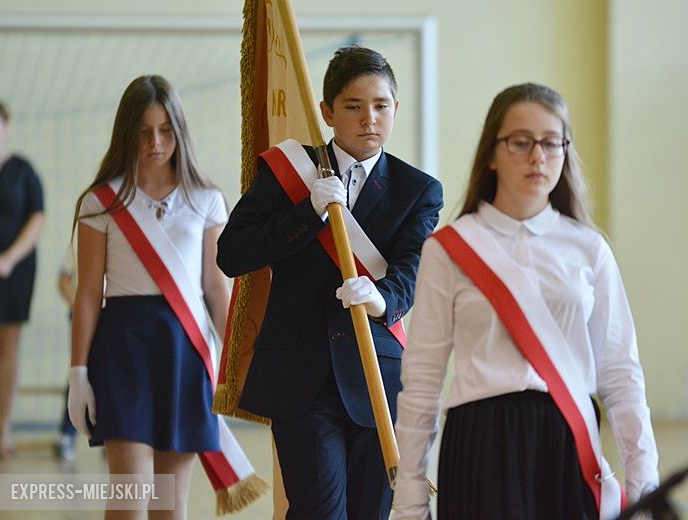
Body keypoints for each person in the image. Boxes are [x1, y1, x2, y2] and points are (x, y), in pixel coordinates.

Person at [393, 83, 659, 519]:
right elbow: (422, 381)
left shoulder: (588, 249)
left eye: (552, 142)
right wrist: (410, 501)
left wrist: (643, 480)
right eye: (521, 142)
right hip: (479, 443)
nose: (538, 156)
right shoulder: (449, 249)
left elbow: (621, 374)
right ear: (492, 153)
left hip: (567, 438)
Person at [217, 46, 444, 519]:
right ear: (327, 111)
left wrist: (382, 298)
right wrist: (308, 213)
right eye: (353, 106)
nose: (369, 119)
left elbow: (414, 269)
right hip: (304, 377)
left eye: (381, 106)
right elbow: (232, 253)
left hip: (378, 376)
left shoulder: (417, 189)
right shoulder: (291, 173)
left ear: (396, 110)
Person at [68, 75, 232, 518]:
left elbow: (215, 286)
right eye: (143, 132)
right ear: (126, 134)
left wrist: (236, 360)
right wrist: (78, 371)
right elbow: (87, 292)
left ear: (179, 130)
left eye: (165, 130)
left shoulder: (206, 199)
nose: (155, 142)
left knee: (170, 504)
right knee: (128, 499)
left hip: (187, 351)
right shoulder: (100, 202)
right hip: (123, 349)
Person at [0, 97, 45, 460]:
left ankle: (5, 430)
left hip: (12, 274)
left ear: (4, 128)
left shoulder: (23, 170)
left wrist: (7, 260)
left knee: (8, 346)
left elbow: (37, 219)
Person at [54, 242, 78, 462]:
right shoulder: (77, 243)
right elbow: (63, 281)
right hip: (84, 314)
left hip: (115, 314)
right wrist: (79, 305)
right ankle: (66, 434)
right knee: (79, 372)